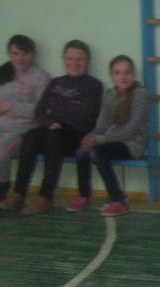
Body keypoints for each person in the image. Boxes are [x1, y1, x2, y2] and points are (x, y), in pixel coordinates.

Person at [7, 40, 103, 215]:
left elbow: (87, 114)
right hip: (53, 129)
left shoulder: (93, 85)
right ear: (64, 59)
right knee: (31, 135)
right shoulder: (56, 82)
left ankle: (46, 196)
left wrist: (58, 116)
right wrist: (49, 122)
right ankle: (19, 193)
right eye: (70, 58)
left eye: (79, 59)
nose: (74, 63)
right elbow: (40, 110)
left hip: (76, 134)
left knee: (54, 137)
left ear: (87, 61)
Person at [68, 55, 150, 215]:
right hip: (110, 140)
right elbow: (102, 125)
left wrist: (99, 139)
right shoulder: (110, 94)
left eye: (127, 72)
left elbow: (130, 130)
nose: (123, 77)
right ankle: (83, 195)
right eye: (117, 73)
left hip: (132, 144)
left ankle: (118, 200)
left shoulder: (140, 95)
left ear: (134, 74)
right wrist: (90, 137)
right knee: (82, 150)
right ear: (111, 76)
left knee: (96, 152)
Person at [0, 34, 51, 206]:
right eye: (15, 53)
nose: (20, 58)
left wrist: (10, 105)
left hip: (23, 130)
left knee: (1, 151)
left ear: (33, 54)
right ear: (9, 54)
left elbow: (41, 110)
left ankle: (2, 189)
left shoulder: (41, 77)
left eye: (25, 54)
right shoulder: (3, 72)